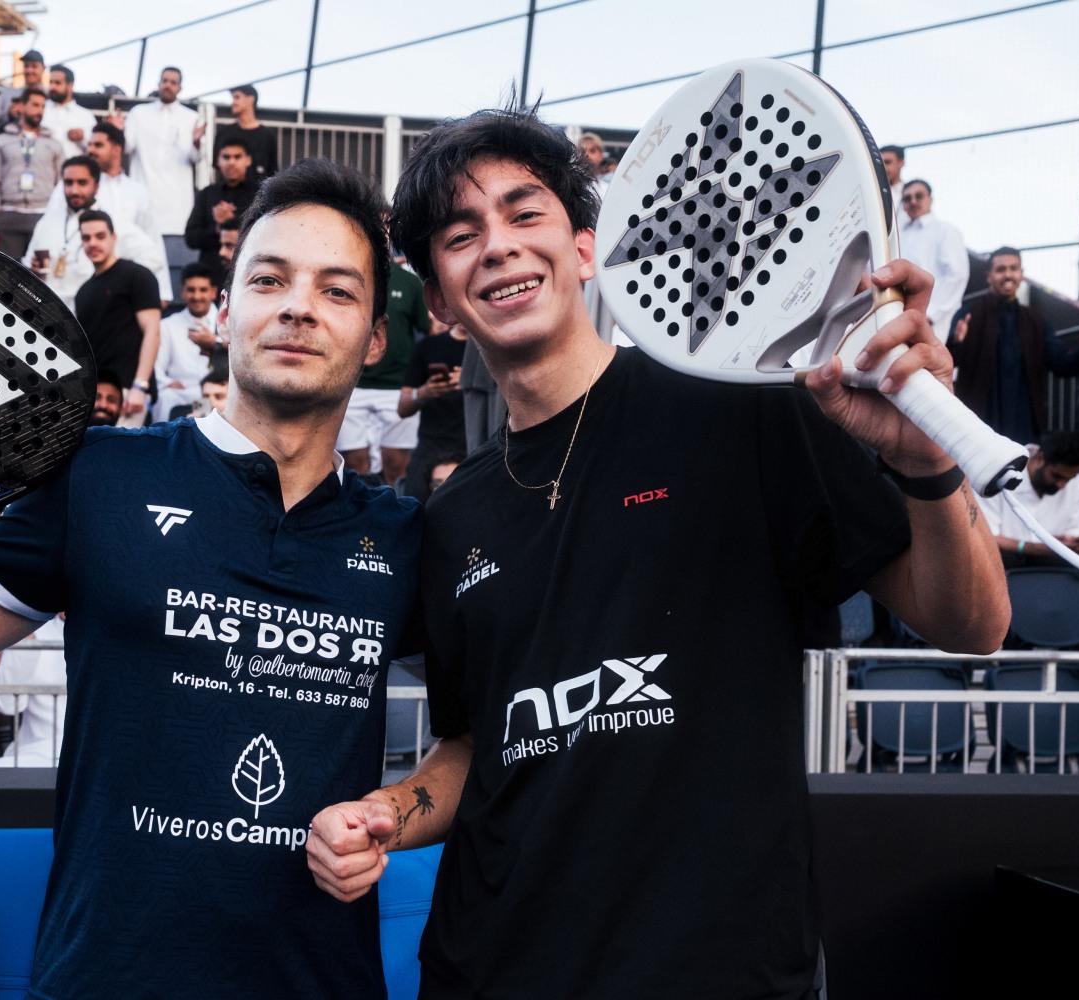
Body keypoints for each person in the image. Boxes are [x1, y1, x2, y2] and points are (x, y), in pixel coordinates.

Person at [307, 105, 1010, 999]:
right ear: (439, 300)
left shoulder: (740, 409)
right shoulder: (450, 518)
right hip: (491, 970)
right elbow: (478, 743)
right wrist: (385, 812)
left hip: (723, 974)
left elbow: (975, 624)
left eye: (526, 213)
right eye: (461, 234)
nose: (500, 245)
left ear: (585, 248)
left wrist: (926, 463)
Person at [0, 157, 418, 996]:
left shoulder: (405, 536)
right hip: (104, 975)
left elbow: (478, 735)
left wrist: (390, 814)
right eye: (269, 280)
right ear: (223, 312)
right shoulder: (102, 474)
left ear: (376, 337)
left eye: (337, 290)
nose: (299, 306)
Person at [949, 247, 1079, 444]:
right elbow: (948, 360)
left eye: (1013, 268)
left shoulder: (1034, 321)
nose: (1008, 275)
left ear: (1021, 274)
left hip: (1023, 423)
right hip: (979, 419)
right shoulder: (970, 313)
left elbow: (1061, 364)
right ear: (988, 276)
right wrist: (956, 342)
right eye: (1000, 269)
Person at [337, 246, 430, 486]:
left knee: (397, 467)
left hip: (397, 386)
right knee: (354, 467)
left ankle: (393, 509)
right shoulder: (342, 278)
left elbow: (427, 330)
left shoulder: (410, 282)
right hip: (351, 386)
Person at [27, 159, 161, 312]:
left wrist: (115, 286)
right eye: (68, 183)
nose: (74, 190)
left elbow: (153, 258)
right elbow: (27, 264)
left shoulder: (113, 222)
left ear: (97, 187)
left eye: (82, 183)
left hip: (91, 313)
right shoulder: (47, 221)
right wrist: (34, 269)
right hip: (46, 311)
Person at [71, 209, 161, 424]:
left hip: (131, 393)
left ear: (113, 237)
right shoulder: (83, 291)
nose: (93, 243)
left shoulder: (137, 275)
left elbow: (153, 332)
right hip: (96, 397)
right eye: (86, 238)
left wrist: (140, 385)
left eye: (100, 236)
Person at [976, 431, 1079, 567]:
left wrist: (1075, 546)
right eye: (1057, 476)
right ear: (1039, 459)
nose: (1062, 485)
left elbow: (1073, 534)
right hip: (1004, 559)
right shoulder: (998, 473)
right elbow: (986, 537)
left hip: (1050, 560)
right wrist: (1036, 548)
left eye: (1068, 479)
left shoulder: (1075, 480)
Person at [113, 66, 204, 236]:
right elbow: (126, 147)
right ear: (158, 83)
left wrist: (197, 143)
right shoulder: (139, 113)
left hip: (177, 206)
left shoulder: (191, 117)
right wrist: (117, 132)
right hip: (144, 198)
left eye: (173, 82)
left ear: (180, 88)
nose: (167, 85)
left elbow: (196, 157)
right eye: (165, 81)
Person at [85, 122, 172, 298]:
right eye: (90, 144)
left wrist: (162, 290)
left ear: (116, 150)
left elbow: (152, 237)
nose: (91, 150)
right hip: (89, 277)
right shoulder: (83, 188)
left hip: (129, 283)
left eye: (98, 145)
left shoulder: (137, 191)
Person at [0, 88, 66, 259]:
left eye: (43, 106)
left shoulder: (54, 144)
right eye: (35, 105)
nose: (40, 111)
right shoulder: (2, 140)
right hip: (9, 213)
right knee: (6, 269)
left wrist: (55, 212)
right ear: (22, 106)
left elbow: (61, 181)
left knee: (38, 270)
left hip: (42, 213)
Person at [0, 615, 68, 768]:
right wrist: (24, 647)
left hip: (93, 755)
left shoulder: (109, 635)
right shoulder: (35, 632)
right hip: (37, 753)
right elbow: (5, 704)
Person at [398, 318, 467, 500]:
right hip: (432, 444)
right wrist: (424, 392)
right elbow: (403, 408)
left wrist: (473, 380)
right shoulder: (428, 346)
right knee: (414, 502)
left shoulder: (493, 349)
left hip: (477, 444)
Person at [897, 179, 967, 345]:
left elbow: (957, 275)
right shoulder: (899, 236)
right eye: (907, 198)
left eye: (919, 196)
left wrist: (930, 313)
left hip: (929, 321)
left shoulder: (945, 230)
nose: (913, 201)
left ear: (930, 199)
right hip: (897, 319)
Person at [154, 262, 220, 421]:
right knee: (164, 397)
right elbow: (158, 369)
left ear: (213, 292)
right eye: (191, 290)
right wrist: (167, 382)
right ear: (182, 292)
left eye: (203, 290)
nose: (196, 296)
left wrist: (214, 342)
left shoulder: (226, 322)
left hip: (215, 393)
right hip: (180, 392)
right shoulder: (168, 325)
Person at [184, 139, 258, 273]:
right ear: (218, 161)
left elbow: (263, 233)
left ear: (248, 160)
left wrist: (232, 222)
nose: (231, 162)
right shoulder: (207, 194)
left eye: (237, 157)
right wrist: (217, 229)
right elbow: (191, 238)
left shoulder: (258, 193)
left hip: (246, 270)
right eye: (226, 157)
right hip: (211, 271)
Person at [214, 84, 278, 179]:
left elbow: (272, 172)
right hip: (228, 188)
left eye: (237, 97)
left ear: (250, 99)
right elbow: (217, 167)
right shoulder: (223, 133)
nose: (233, 103)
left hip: (257, 188)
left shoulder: (268, 136)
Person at [0, 49, 46, 146]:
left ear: (43, 68)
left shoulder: (51, 96)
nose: (29, 70)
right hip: (12, 149)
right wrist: (8, 114)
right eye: (26, 66)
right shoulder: (9, 94)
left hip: (42, 149)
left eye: (34, 66)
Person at [41, 65, 95, 159]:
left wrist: (83, 136)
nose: (52, 87)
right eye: (51, 82)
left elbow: (95, 148)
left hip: (73, 167)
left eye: (57, 83)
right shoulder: (41, 109)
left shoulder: (86, 115)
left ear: (70, 85)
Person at [880, 142, 905, 207]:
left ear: (901, 163)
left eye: (887, 162)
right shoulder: (874, 192)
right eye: (880, 164)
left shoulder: (912, 196)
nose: (883, 167)